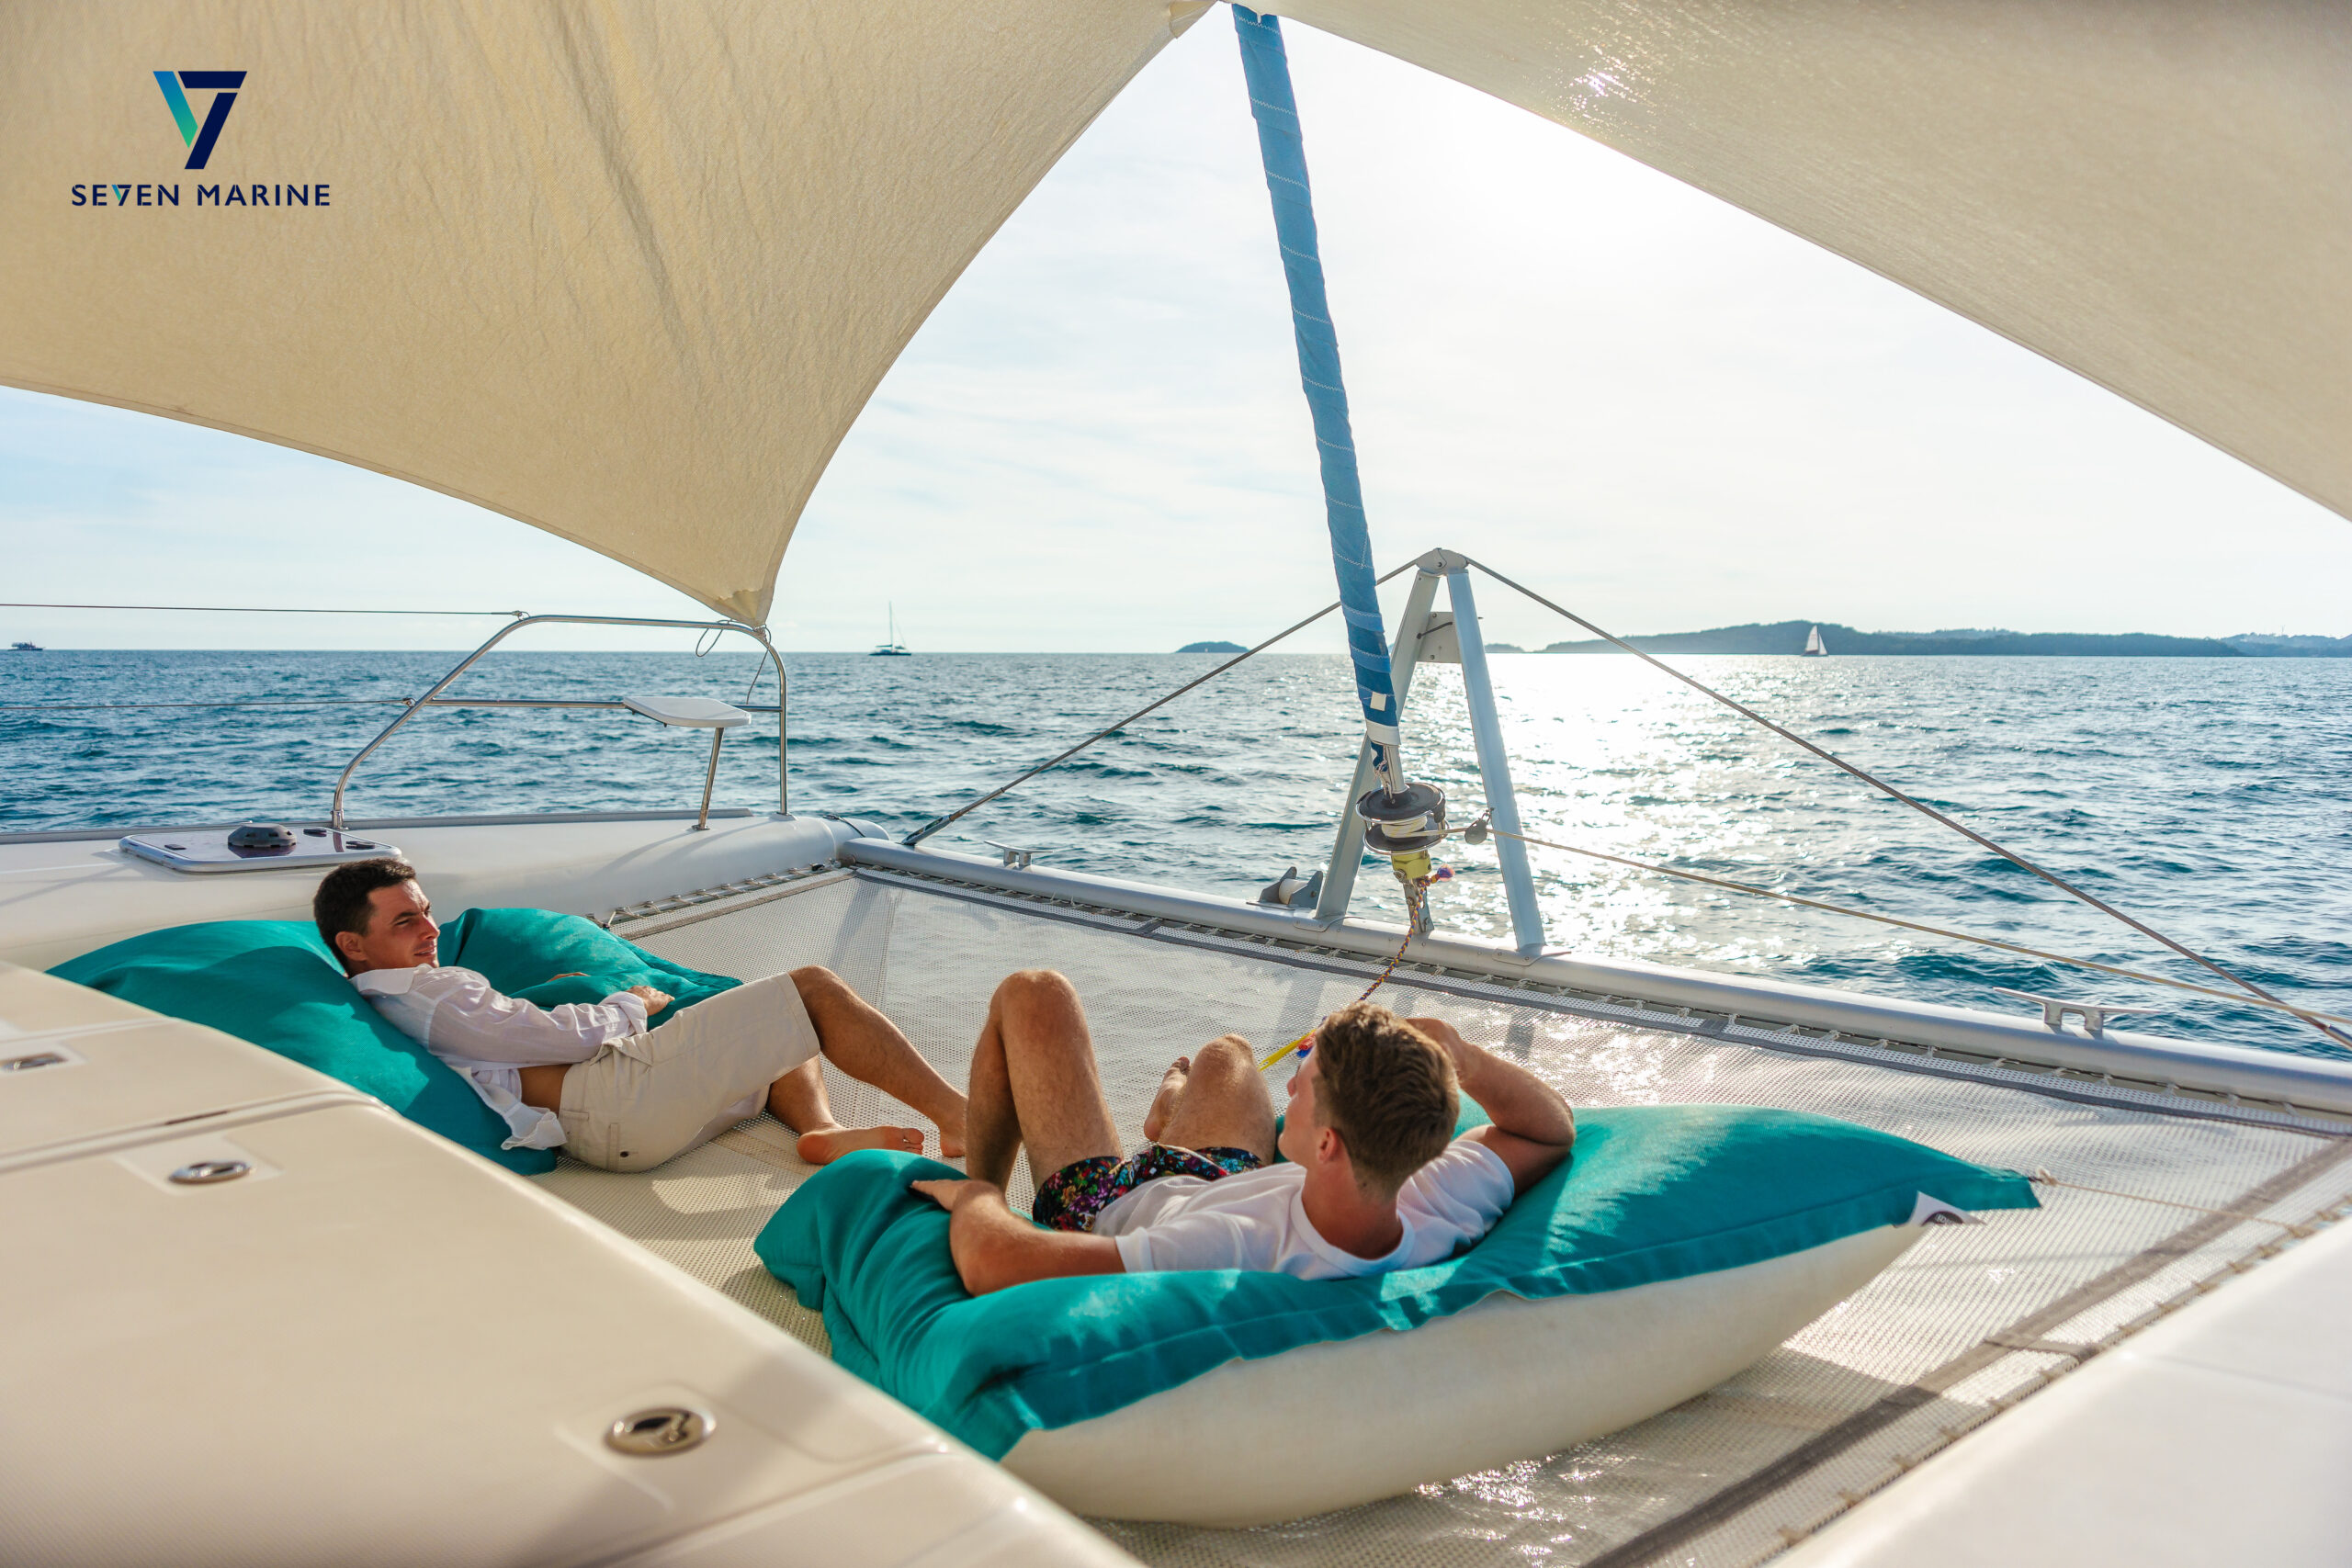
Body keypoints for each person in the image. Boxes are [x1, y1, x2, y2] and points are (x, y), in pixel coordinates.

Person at [910, 970, 1575, 1292]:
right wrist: (1459, 1054)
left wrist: (976, 1201)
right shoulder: (1436, 1198)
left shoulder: (1233, 1244)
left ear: (1327, 1144)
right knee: (1228, 1055)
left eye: (1305, 1083)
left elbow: (998, 1264)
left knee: (1034, 993)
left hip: (1113, 1203)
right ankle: (1169, 1115)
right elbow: (1549, 1130)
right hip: (1226, 1178)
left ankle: (978, 1161)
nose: (1291, 1089)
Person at [315, 857, 966, 1172]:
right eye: (406, 921)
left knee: (769, 1021)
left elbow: (501, 1033)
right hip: (613, 1102)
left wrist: (565, 998)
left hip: (617, 1126)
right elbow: (555, 1038)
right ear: (353, 944)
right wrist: (632, 1003)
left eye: (428, 911)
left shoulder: (395, 999)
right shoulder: (428, 992)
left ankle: (820, 1131)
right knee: (814, 992)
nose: (431, 930)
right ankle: (958, 1115)